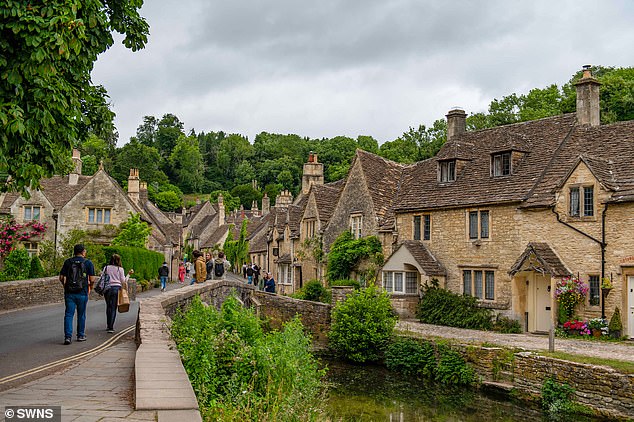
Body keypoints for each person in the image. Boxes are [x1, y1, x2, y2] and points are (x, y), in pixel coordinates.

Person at [59, 244, 95, 345]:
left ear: (74, 252)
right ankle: (80, 335)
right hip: (82, 292)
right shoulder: (88, 263)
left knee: (68, 315)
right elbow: (92, 279)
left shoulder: (68, 262)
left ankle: (68, 337)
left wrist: (65, 286)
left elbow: (61, 277)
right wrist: (90, 288)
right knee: (81, 314)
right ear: (83, 252)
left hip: (69, 292)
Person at [103, 254, 133, 333]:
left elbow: (103, 277)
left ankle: (108, 324)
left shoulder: (106, 268)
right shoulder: (120, 269)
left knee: (108, 306)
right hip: (116, 289)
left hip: (107, 289)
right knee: (113, 308)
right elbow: (123, 281)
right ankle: (111, 327)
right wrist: (129, 274)